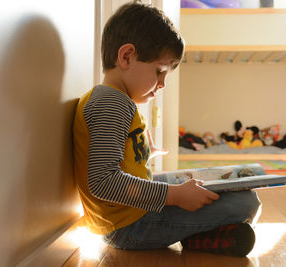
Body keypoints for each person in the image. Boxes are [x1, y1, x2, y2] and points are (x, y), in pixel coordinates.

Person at [73, 2, 261, 257]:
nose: (162, 84)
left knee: (211, 185)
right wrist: (174, 196)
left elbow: (112, 165)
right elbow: (103, 182)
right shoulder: (112, 102)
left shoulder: (112, 99)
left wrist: (144, 155)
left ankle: (207, 236)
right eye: (159, 71)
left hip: (127, 214)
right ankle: (200, 237)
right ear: (126, 56)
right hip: (128, 226)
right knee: (246, 201)